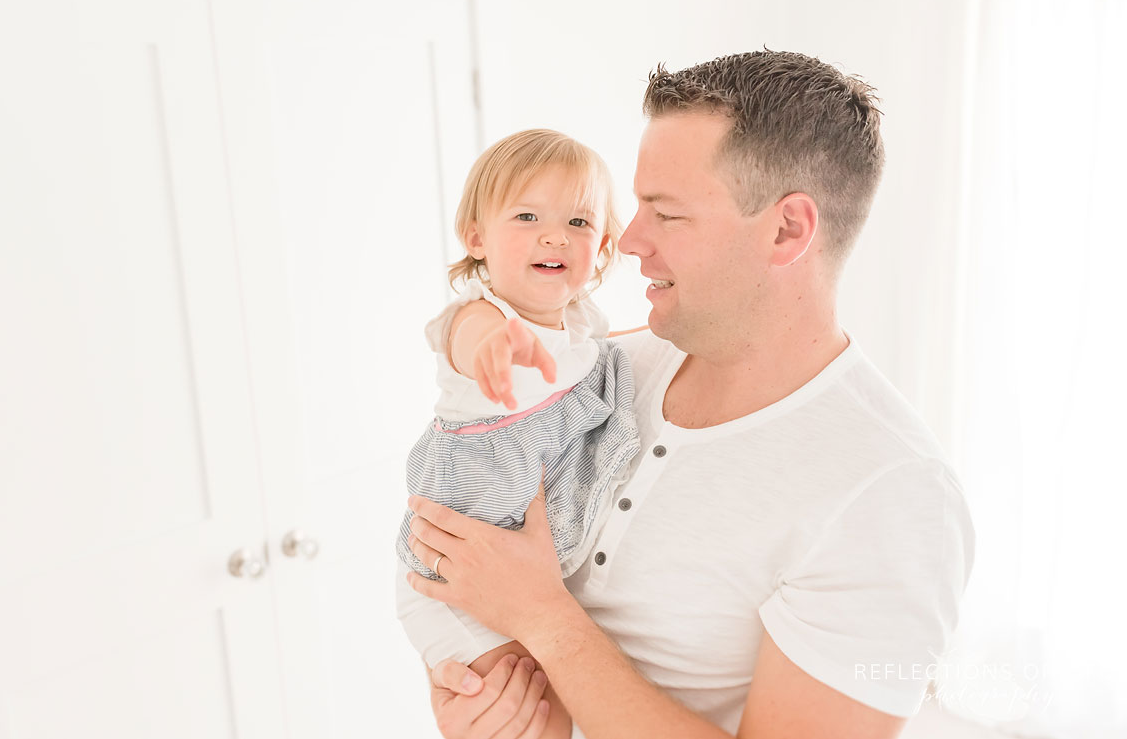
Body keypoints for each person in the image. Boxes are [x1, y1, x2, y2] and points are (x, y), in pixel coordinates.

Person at [402, 50, 976, 739]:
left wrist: (543, 619)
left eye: (665, 213)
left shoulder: (892, 494)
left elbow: (530, 603)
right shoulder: (606, 370)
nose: (629, 240)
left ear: (787, 229)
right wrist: (478, 693)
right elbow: (472, 554)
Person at [393, 128, 641, 738]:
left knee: (557, 709)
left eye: (579, 222)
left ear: (603, 246)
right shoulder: (481, 317)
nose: (555, 235)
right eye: (527, 216)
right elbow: (465, 339)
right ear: (477, 237)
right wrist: (495, 347)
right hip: (452, 582)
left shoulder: (584, 331)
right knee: (535, 716)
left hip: (511, 580)